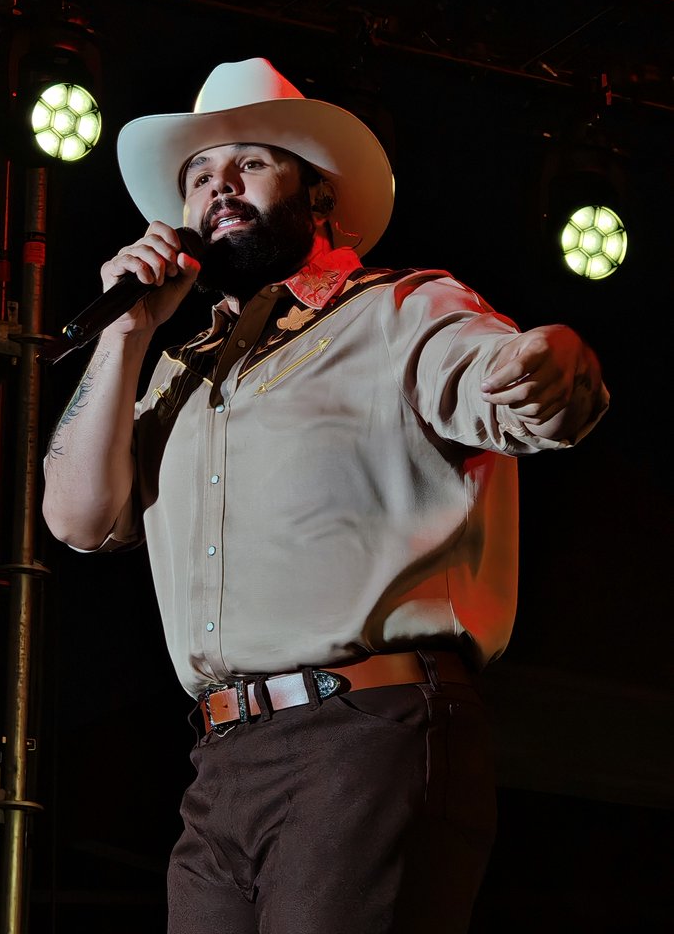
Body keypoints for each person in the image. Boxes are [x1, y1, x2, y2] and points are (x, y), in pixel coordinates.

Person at [42, 57, 609, 933]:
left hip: (364, 731)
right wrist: (127, 333)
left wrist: (548, 365)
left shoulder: (401, 311)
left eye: (250, 164)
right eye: (197, 175)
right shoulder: (178, 374)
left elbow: (508, 380)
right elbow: (76, 519)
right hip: (222, 758)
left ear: (319, 198)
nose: (217, 187)